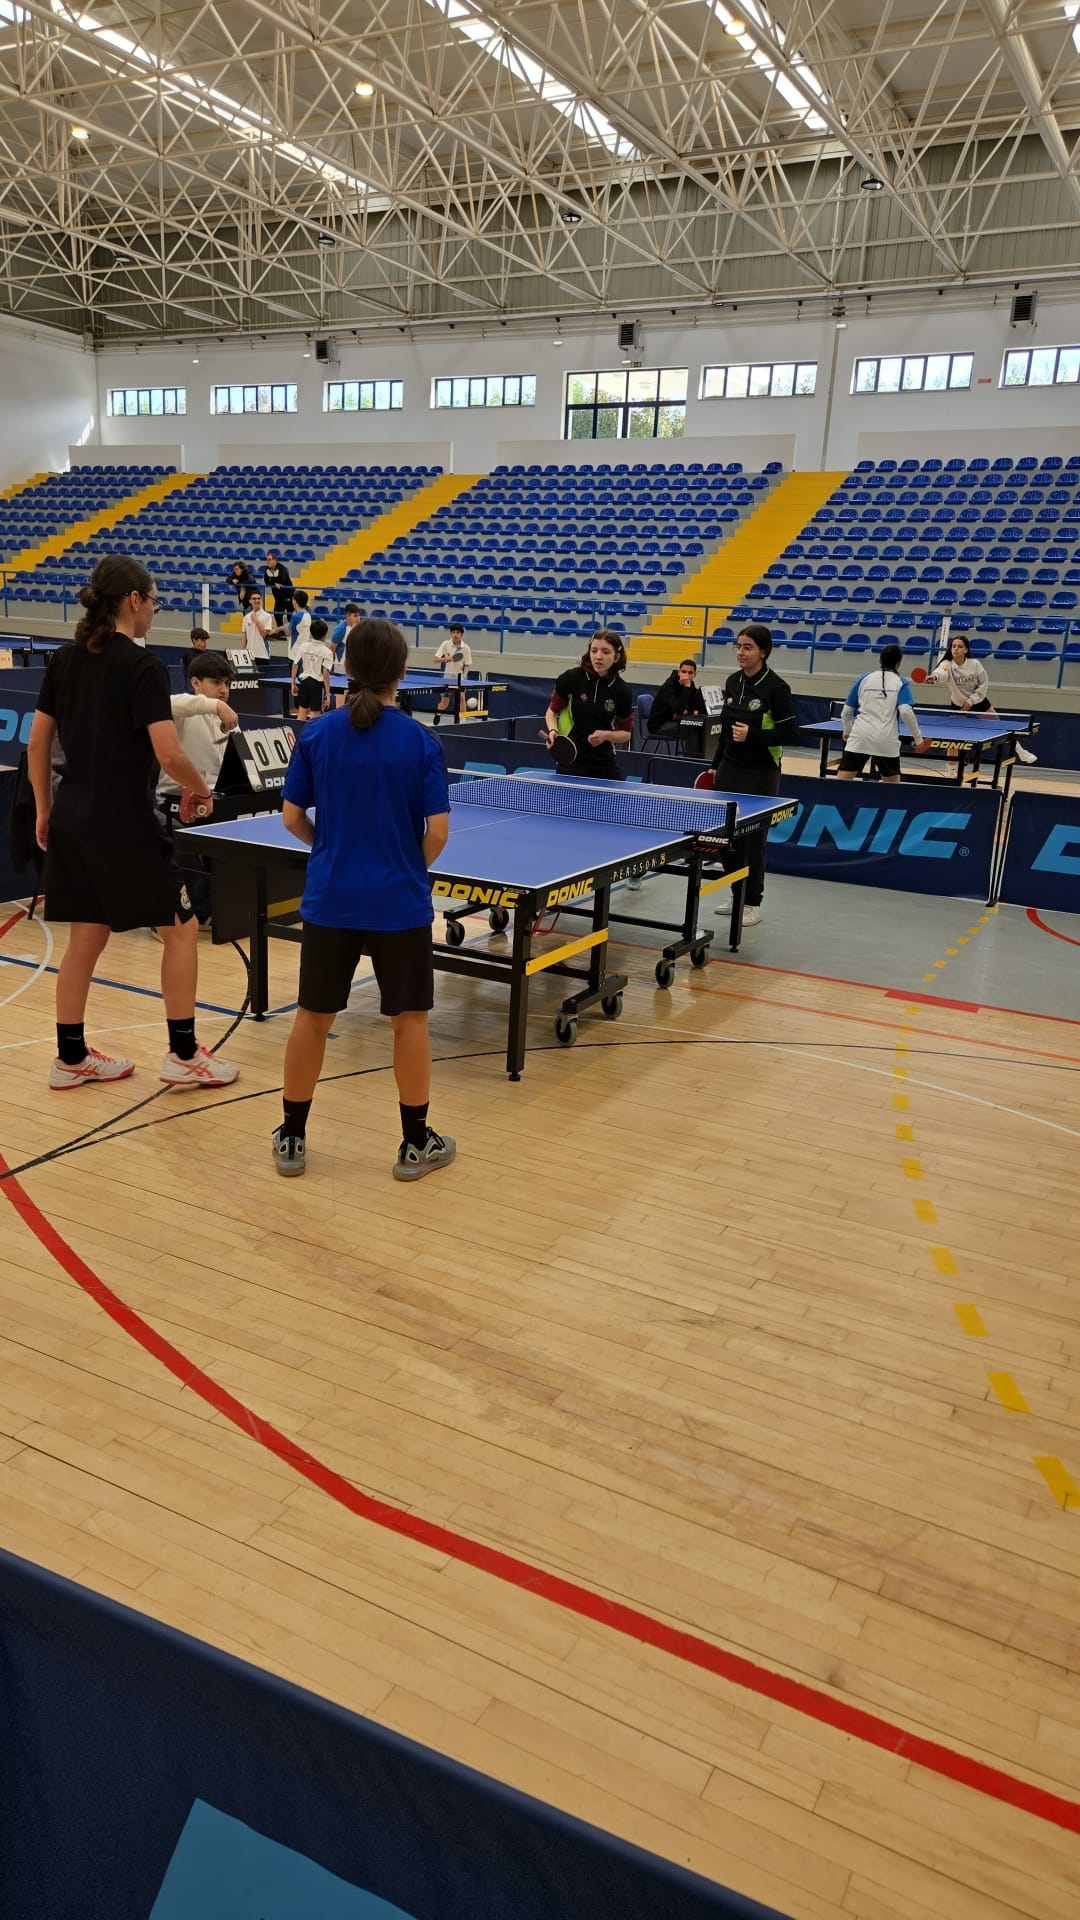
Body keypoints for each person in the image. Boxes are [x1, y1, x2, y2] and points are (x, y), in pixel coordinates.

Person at [26, 554, 238, 1091]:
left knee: (86, 935)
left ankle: (70, 1058)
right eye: (154, 602)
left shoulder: (64, 660)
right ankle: (184, 1053)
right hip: (123, 822)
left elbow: (37, 743)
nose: (153, 612)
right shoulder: (142, 666)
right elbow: (168, 753)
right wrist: (199, 789)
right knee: (182, 928)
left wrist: (45, 809)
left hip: (74, 815)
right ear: (135, 600)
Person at [274, 617, 453, 1182]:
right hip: (398, 901)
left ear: (346, 668)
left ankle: (292, 1136)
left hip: (331, 898)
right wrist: (404, 867)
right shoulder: (421, 742)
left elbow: (291, 818)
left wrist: (329, 849)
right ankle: (415, 1143)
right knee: (410, 1021)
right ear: (402, 672)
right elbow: (438, 834)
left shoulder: (317, 734)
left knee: (312, 1018)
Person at [709, 622, 797, 928]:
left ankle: (753, 902)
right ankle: (737, 892)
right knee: (725, 837)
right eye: (738, 646)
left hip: (761, 771)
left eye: (748, 647)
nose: (741, 652)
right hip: (730, 768)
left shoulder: (776, 687)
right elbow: (724, 730)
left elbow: (790, 733)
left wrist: (753, 735)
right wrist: (715, 764)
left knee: (753, 839)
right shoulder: (732, 681)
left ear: (763, 652)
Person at [157, 652, 239, 923]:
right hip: (173, 802)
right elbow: (168, 702)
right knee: (182, 847)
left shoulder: (230, 720)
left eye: (227, 683)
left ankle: (232, 906)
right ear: (195, 683)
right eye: (216, 682)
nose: (224, 690)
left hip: (216, 802)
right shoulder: (181, 712)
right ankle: (199, 911)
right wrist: (215, 706)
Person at [928, 632, 1038, 764]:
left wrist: (971, 701)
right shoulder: (947, 664)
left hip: (978, 700)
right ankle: (951, 772)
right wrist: (933, 677)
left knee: (1000, 728)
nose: (956, 649)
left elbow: (983, 684)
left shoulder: (975, 664)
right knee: (953, 740)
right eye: (954, 646)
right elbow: (941, 673)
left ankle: (1021, 752)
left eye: (960, 646)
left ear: (966, 650)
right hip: (959, 704)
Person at [544, 629, 634, 780]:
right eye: (594, 650)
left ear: (617, 657)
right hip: (571, 761)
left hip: (604, 764)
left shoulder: (622, 690)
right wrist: (553, 731)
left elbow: (626, 734)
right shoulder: (572, 678)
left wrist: (606, 735)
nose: (598, 656)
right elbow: (552, 711)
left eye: (605, 652)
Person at [838, 643, 929, 784]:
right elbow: (906, 711)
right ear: (898, 662)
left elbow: (846, 712)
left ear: (880, 660)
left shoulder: (864, 678)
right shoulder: (901, 682)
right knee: (891, 791)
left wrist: (847, 731)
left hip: (860, 737)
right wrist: (918, 739)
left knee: (839, 786)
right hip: (886, 740)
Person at [291, 617, 336, 721]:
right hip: (317, 685)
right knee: (315, 717)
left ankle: (298, 732)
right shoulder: (327, 652)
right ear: (325, 634)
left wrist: (293, 684)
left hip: (304, 683)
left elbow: (295, 665)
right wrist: (328, 694)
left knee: (301, 714)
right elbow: (325, 673)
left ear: (311, 633)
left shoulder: (303, 646)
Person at [648, 659, 707, 736]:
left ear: (695, 674)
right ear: (679, 672)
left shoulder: (691, 684)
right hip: (659, 725)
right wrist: (687, 687)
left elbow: (693, 704)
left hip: (675, 720)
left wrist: (687, 711)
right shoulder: (669, 686)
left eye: (690, 673)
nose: (686, 675)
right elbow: (678, 709)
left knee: (703, 726)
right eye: (683, 672)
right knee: (692, 728)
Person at [432, 622, 473, 726]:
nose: (455, 635)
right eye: (453, 632)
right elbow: (435, 660)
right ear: (451, 634)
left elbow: (467, 664)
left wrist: (464, 676)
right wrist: (446, 659)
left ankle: (462, 722)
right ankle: (438, 714)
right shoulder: (445, 644)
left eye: (458, 633)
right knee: (445, 703)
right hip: (448, 677)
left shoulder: (466, 648)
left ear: (461, 634)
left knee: (462, 698)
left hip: (459, 677)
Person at [242, 590, 277, 660]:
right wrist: (242, 652)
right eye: (254, 599)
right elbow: (244, 636)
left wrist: (256, 621)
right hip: (249, 654)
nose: (257, 600)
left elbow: (264, 634)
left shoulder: (267, 616)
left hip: (262, 654)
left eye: (258, 598)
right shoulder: (246, 617)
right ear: (250, 601)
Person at [264, 550, 293, 620]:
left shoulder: (282, 569)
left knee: (290, 617)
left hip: (288, 595)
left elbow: (282, 580)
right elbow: (266, 581)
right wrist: (274, 583)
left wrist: (272, 580)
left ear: (275, 560)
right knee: (277, 616)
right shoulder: (267, 569)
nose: (267, 562)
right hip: (278, 597)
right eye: (267, 560)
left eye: (269, 560)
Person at [288, 588, 312, 656]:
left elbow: (288, 632)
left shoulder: (296, 616)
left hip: (294, 651)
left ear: (295, 601)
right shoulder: (308, 614)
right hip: (304, 650)